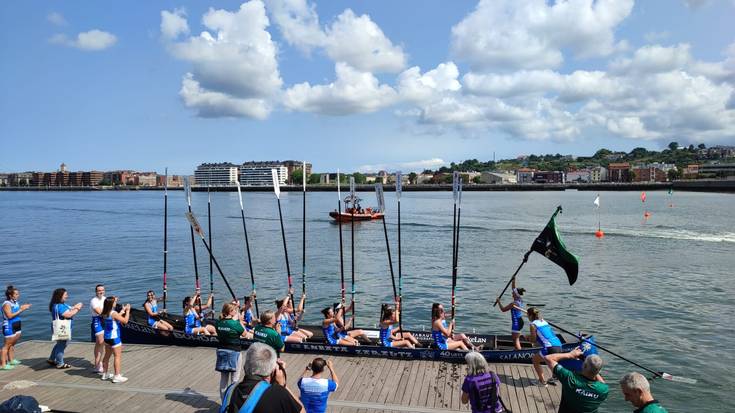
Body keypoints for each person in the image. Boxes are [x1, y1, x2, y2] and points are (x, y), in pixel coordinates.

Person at [221, 342, 304, 413]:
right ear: (273, 371)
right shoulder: (279, 394)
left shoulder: (231, 390)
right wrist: (283, 385)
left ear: (245, 366)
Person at [545, 348, 609, 413]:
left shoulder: (570, 379)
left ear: (584, 365)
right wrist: (594, 368)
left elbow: (548, 358)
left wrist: (570, 354)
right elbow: (602, 383)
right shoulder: (603, 390)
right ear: (598, 371)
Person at [216, 302, 248, 400]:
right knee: (235, 379)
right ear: (231, 311)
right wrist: (240, 322)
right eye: (235, 310)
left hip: (221, 351)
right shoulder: (235, 324)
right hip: (234, 352)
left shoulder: (218, 322)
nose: (236, 311)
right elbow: (245, 334)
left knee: (223, 379)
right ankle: (232, 402)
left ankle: (223, 403)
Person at [48, 288, 82, 369]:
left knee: (59, 344)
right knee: (62, 346)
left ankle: (51, 359)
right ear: (60, 296)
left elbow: (70, 308)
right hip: (62, 328)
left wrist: (75, 306)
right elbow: (68, 315)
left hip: (58, 327)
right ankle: (60, 363)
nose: (67, 296)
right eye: (65, 295)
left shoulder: (58, 305)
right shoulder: (60, 306)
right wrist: (78, 309)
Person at [527, 307, 562, 385]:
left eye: (527, 316)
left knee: (535, 360)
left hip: (550, 347)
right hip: (559, 344)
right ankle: (554, 378)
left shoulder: (533, 325)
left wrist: (527, 337)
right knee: (553, 363)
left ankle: (542, 382)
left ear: (530, 316)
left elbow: (533, 340)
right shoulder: (544, 321)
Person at [100, 296, 131, 383]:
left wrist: (121, 311)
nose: (115, 303)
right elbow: (125, 321)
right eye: (114, 302)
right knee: (117, 356)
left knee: (107, 356)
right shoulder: (113, 313)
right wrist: (128, 311)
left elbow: (114, 319)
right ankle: (117, 376)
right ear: (111, 304)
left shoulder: (104, 313)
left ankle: (104, 374)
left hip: (107, 338)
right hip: (114, 337)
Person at [2, 285, 31, 370]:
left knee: (12, 344)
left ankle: (11, 360)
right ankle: (3, 364)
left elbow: (16, 312)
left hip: (16, 324)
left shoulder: (15, 302)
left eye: (18, 294)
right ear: (10, 295)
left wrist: (22, 307)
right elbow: (9, 316)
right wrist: (22, 309)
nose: (18, 295)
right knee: (6, 345)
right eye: (16, 294)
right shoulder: (6, 304)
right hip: (9, 325)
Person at [495, 278, 525, 350]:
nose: (512, 293)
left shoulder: (513, 304)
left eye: (513, 293)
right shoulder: (520, 299)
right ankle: (517, 350)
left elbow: (503, 310)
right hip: (520, 321)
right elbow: (514, 288)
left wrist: (499, 302)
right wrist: (513, 280)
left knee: (515, 340)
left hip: (516, 322)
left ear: (515, 294)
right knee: (516, 339)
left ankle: (518, 353)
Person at [90, 284, 106, 374]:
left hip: (105, 320)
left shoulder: (105, 299)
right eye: (99, 290)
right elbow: (99, 312)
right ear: (96, 292)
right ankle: (98, 364)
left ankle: (97, 364)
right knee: (100, 342)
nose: (101, 292)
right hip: (97, 320)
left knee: (100, 343)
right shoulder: (94, 301)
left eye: (102, 290)